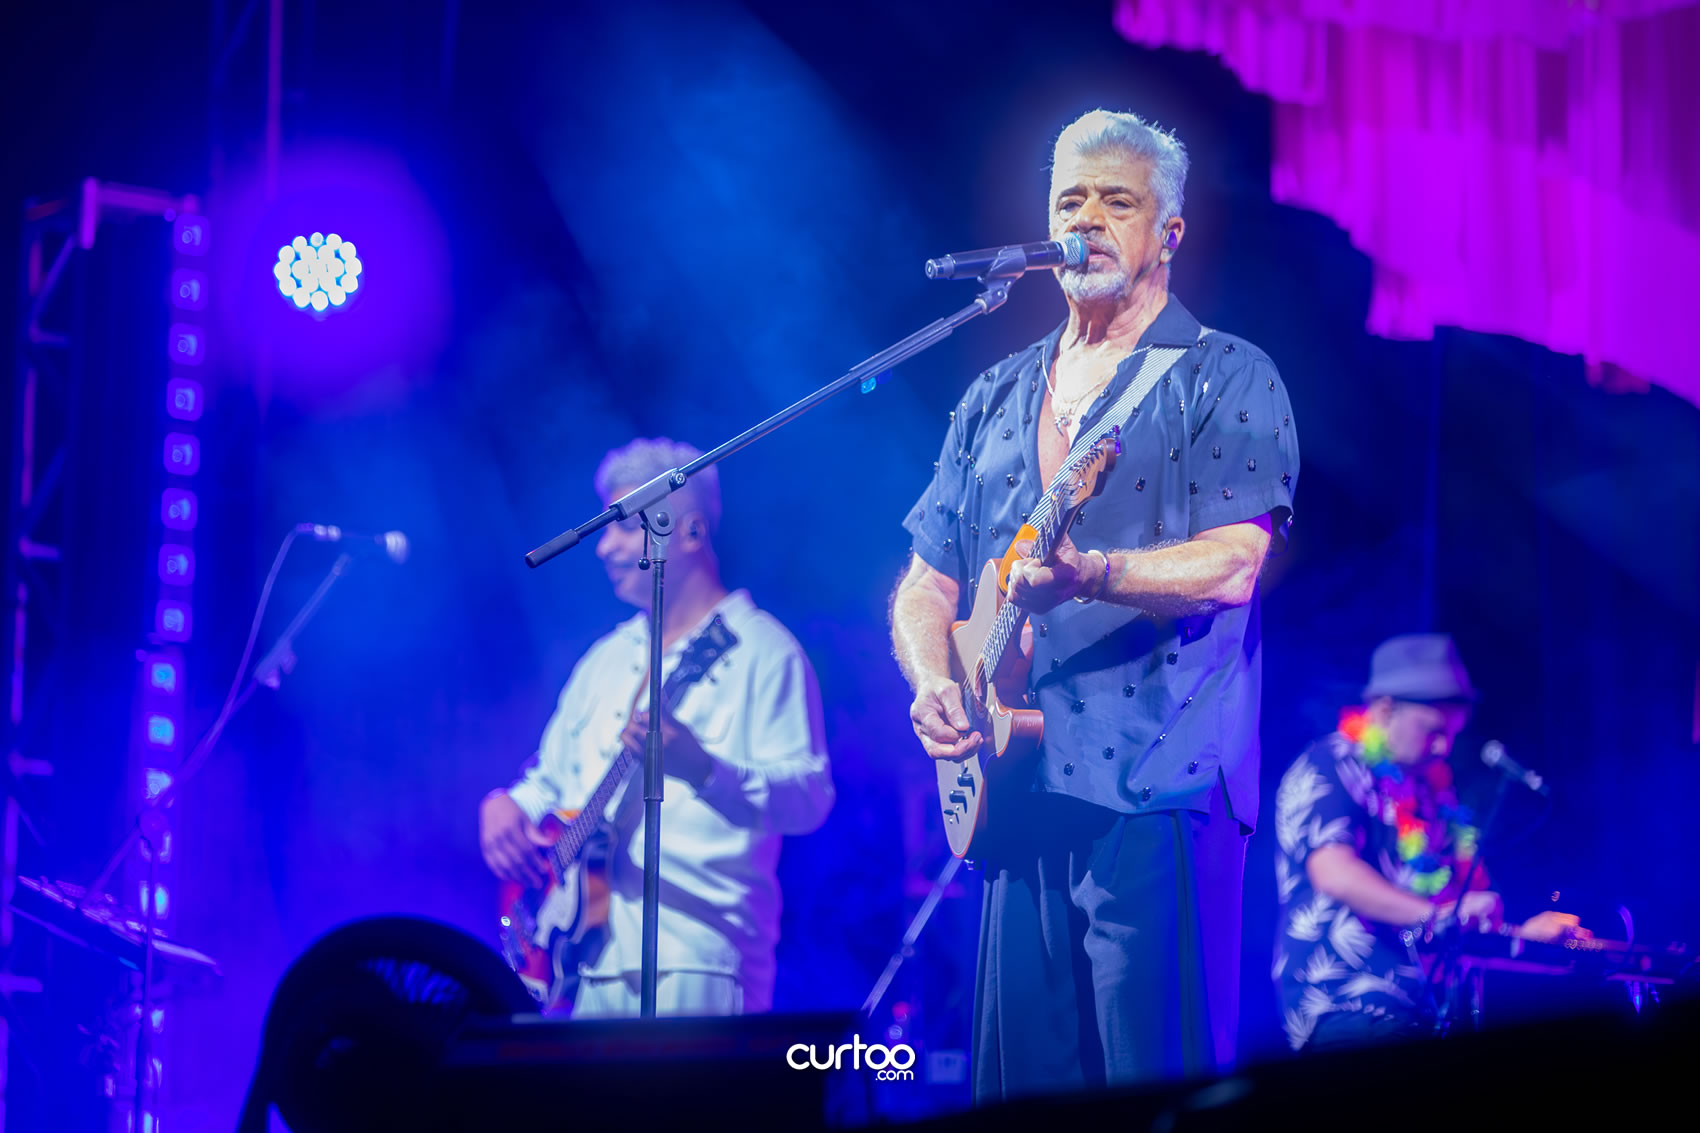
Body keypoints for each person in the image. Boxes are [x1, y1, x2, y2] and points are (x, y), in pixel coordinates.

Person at [890, 108, 1300, 1099]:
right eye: (1069, 200)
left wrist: (1094, 572)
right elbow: (926, 580)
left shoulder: (1225, 373)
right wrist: (933, 678)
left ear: (1169, 230)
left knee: (1154, 1088)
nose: (1086, 219)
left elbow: (1235, 564)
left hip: (1159, 776)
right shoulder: (995, 394)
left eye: (1116, 201)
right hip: (1014, 784)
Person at [479, 438, 835, 1016]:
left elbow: (810, 800)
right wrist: (507, 806)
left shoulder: (765, 652)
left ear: (690, 532)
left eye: (623, 526)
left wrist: (705, 770)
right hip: (587, 964)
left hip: (700, 960)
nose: (605, 547)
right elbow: (550, 782)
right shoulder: (603, 659)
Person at [1272, 633, 1584, 1050]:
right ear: (1385, 709)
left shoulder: (1430, 794)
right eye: (1433, 730)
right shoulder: (1331, 762)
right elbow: (1333, 872)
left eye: (1453, 733)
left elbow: (1458, 913)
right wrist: (1436, 917)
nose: (1444, 746)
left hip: (1428, 1012)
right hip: (1348, 1006)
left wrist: (1520, 936)